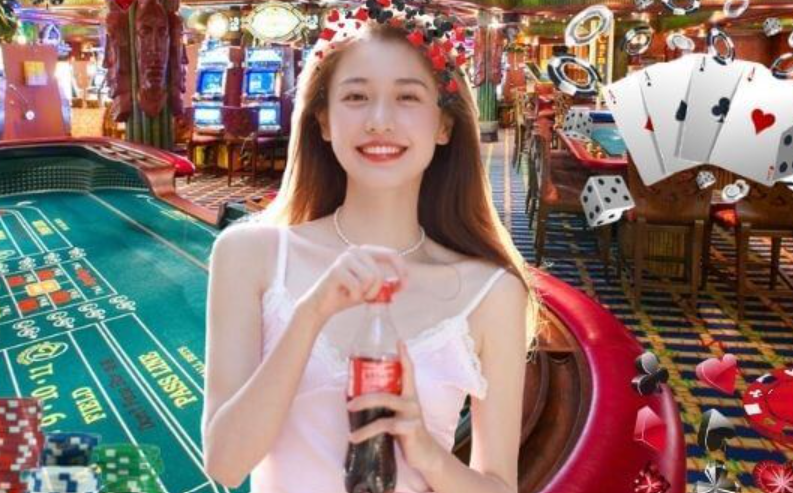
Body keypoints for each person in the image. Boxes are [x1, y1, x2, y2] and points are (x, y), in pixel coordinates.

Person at [202, 17, 543, 493]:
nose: (380, 120)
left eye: (407, 97)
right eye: (357, 96)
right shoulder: (249, 254)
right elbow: (224, 463)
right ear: (323, 120)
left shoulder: (494, 291)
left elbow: (499, 485)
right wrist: (310, 314)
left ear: (444, 124)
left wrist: (427, 453)